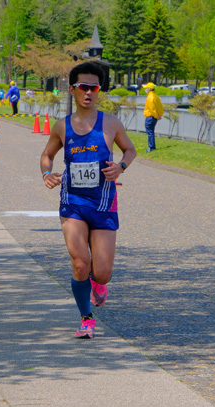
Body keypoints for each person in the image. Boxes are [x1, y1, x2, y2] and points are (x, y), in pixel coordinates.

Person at [40, 62, 136, 339]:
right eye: (83, 87)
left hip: (104, 203)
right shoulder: (62, 126)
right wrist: (46, 173)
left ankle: (98, 284)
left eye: (94, 88)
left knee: (102, 273)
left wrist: (120, 167)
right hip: (73, 202)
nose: (89, 92)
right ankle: (86, 318)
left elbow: (130, 150)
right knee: (80, 262)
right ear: (72, 90)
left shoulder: (111, 123)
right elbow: (47, 155)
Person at [142, 82, 163, 153]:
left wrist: (156, 116)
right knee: (151, 132)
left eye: (146, 88)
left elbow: (152, 109)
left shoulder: (150, 97)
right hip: (154, 117)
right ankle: (152, 147)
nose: (145, 89)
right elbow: (160, 107)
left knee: (150, 132)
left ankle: (151, 147)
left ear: (149, 89)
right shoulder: (156, 96)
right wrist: (159, 115)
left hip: (150, 116)